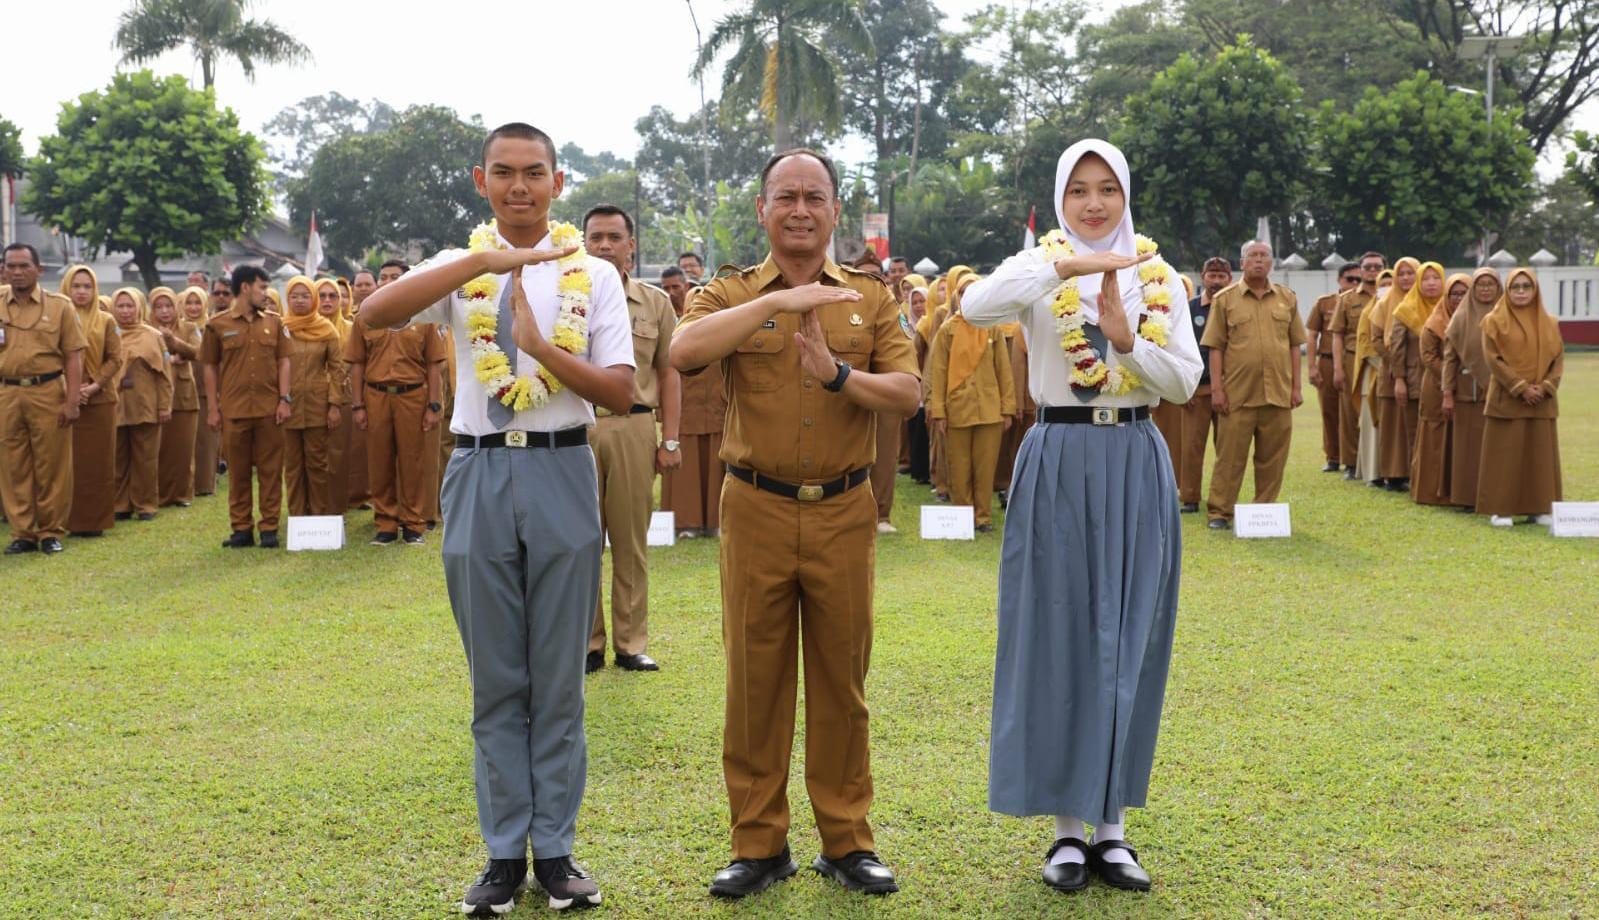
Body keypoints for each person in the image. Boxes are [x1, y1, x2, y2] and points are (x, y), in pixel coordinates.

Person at [357, 122, 635, 914]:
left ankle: (556, 851)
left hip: (560, 466)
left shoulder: (594, 274)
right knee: (495, 679)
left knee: (557, 679)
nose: (519, 187)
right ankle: (502, 853)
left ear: (557, 181)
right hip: (478, 467)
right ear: (482, 181)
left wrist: (541, 348)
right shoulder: (461, 265)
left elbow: (618, 392)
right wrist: (480, 265)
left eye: (534, 173)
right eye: (504, 174)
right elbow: (376, 313)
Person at [671, 147, 919, 900]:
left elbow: (907, 393)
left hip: (843, 510)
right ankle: (757, 844)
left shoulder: (870, 300)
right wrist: (778, 304)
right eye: (786, 196)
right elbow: (683, 352)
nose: (801, 209)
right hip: (755, 508)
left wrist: (838, 375)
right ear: (762, 210)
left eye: (815, 196)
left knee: (842, 682)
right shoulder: (730, 294)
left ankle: (846, 842)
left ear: (836, 210)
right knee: (755, 682)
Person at [962, 139, 1200, 894]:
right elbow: (974, 306)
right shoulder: (1038, 273)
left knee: (1127, 634)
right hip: (1058, 458)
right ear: (1060, 200)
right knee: (1058, 634)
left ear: (1126, 197)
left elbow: (1185, 384)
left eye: (1107, 190)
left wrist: (1126, 342)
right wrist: (1064, 265)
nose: (1094, 203)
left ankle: (1114, 831)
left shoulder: (1159, 280)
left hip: (1133, 457)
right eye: (1078, 191)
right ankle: (1066, 833)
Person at [582, 204, 680, 674]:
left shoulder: (655, 303)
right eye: (596, 237)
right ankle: (587, 644)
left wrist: (671, 439)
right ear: (583, 243)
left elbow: (670, 371)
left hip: (634, 425)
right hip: (575, 429)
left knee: (630, 540)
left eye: (614, 237)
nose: (604, 245)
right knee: (579, 541)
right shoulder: (566, 301)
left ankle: (630, 641)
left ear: (631, 245)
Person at [1202, 240, 1305, 529]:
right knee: (1230, 459)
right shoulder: (1225, 300)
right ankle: (1220, 513)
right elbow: (1215, 347)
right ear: (1242, 262)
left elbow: (1295, 345)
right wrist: (1218, 390)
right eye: (1253, 256)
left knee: (1273, 459)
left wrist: (1296, 387)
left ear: (1271, 263)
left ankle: (1265, 512)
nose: (1259, 260)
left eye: (1264, 256)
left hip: (1278, 394)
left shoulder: (1287, 298)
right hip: (1238, 395)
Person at [346, 268, 445, 545]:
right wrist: (357, 405)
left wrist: (433, 405)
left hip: (412, 396)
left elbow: (434, 365)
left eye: (395, 277)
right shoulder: (365, 319)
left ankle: (413, 524)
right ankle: (386, 524)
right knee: (379, 461)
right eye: (384, 277)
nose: (388, 282)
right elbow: (357, 364)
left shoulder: (425, 318)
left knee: (413, 461)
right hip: (376, 395)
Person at [0, 243, 85, 555]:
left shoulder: (60, 306)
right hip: (6, 392)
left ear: (39, 269)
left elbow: (73, 357)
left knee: (52, 464)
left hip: (48, 391)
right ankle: (22, 532)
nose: (17, 272)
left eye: (24, 266)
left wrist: (73, 401)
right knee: (12, 465)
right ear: (4, 269)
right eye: (11, 266)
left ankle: (50, 530)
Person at [202, 264, 292, 549]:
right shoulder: (217, 325)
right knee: (238, 473)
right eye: (261, 287)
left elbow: (283, 362)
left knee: (270, 472)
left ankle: (269, 529)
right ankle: (241, 529)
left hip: (269, 410)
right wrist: (214, 409)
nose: (266, 294)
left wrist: (284, 398)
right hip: (235, 411)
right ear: (244, 288)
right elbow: (210, 367)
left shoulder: (275, 323)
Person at [926, 272, 1016, 533]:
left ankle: (983, 517)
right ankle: (963, 519)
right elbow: (938, 371)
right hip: (957, 410)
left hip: (989, 410)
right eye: (963, 292)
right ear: (956, 296)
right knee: (959, 467)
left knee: (986, 468)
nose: (968, 297)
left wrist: (1007, 408)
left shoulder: (993, 327)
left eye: (974, 291)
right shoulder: (947, 329)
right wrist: (939, 411)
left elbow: (1004, 370)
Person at [1477, 269, 1563, 527]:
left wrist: (1546, 386)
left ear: (1535, 289)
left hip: (1542, 400)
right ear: (1508, 290)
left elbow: (1558, 360)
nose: (1522, 291)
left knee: (1540, 457)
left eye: (1527, 286)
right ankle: (1501, 510)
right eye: (1516, 287)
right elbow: (1493, 359)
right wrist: (1519, 387)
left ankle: (1540, 508)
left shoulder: (1550, 322)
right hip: (1508, 398)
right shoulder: (1493, 321)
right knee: (1504, 455)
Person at [660, 265, 727, 540]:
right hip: (685, 412)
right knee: (686, 472)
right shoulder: (677, 334)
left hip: (717, 410)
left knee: (715, 467)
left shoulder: (724, 333)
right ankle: (685, 523)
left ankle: (715, 522)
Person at [278, 276, 347, 517]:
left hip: (318, 405)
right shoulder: (281, 328)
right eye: (294, 296)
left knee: (317, 463)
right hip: (288, 405)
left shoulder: (326, 329)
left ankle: (319, 515)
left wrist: (335, 405)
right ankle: (297, 515)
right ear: (287, 299)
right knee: (292, 465)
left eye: (305, 295)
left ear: (314, 298)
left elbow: (337, 369)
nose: (299, 301)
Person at [61, 266, 122, 538]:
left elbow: (115, 359)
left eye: (87, 286)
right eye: (76, 286)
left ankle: (93, 521)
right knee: (65, 463)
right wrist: (71, 390)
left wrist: (94, 386)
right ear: (66, 288)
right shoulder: (56, 318)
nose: (82, 292)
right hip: (63, 399)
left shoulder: (106, 320)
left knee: (97, 463)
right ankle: (62, 520)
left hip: (100, 402)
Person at [110, 288, 172, 522]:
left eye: (130, 306)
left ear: (139, 307)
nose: (125, 311)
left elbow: (165, 374)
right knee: (118, 457)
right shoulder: (110, 332)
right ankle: (120, 504)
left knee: (146, 458)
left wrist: (164, 405)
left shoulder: (152, 335)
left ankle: (146, 504)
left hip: (145, 403)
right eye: (121, 306)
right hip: (116, 403)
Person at [1442, 268, 1501, 510]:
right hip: (1467, 391)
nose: (1486, 288)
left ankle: (1497, 495)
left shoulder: (1508, 315)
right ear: (1473, 289)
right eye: (1480, 284)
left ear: (1499, 288)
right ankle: (1467, 498)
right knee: (1466, 448)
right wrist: (1447, 392)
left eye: (1491, 284)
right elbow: (1449, 358)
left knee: (1497, 446)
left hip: (1501, 392)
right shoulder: (1461, 317)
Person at [1173, 257, 1228, 512]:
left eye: (1221, 276)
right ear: (1202, 277)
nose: (1216, 281)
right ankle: (1191, 497)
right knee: (1191, 447)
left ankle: (1225, 496)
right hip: (1197, 390)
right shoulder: (1189, 309)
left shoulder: (1235, 307)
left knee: (1227, 448)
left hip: (1229, 390)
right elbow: (1179, 349)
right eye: (1211, 275)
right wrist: (1185, 386)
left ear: (1230, 278)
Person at [1411, 272, 1470, 506]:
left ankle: (1460, 491)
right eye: (1454, 294)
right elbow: (1428, 356)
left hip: (1468, 389)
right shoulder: (1435, 322)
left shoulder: (1479, 320)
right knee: (1435, 436)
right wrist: (1451, 378)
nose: (1458, 299)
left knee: (1461, 438)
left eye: (1464, 294)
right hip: (1436, 387)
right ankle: (1430, 492)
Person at [1386, 261, 1439, 495]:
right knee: (1416, 433)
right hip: (1415, 380)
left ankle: (1441, 481)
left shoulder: (1450, 308)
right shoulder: (1405, 310)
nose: (1430, 283)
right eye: (1425, 278)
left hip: (1445, 381)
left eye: (1435, 278)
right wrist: (1399, 380)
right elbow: (1395, 348)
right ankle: (1419, 482)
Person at [1330, 252, 1385, 479]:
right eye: (1368, 267)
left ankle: (1381, 464)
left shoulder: (1392, 297)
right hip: (1354, 359)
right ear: (1360, 270)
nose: (1372, 270)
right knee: (1350, 412)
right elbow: (1337, 335)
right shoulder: (1347, 299)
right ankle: (1351, 463)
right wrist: (1338, 368)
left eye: (1377, 267)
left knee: (1380, 411)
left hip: (1382, 361)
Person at [148, 287, 202, 508]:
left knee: (183, 447)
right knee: (160, 448)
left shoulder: (189, 327)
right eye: (158, 307)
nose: (164, 311)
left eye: (168, 306)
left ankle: (182, 494)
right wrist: (170, 358)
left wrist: (174, 342)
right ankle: (159, 494)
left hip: (184, 394)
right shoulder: (146, 330)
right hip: (156, 396)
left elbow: (198, 352)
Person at [1369, 257, 1420, 489]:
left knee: (1415, 422)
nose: (1406, 277)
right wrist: (1396, 361)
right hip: (1391, 372)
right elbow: (1376, 339)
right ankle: (1393, 474)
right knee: (1392, 424)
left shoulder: (1428, 301)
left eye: (1411, 273)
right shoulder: (1385, 302)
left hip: (1420, 373)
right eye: (1402, 273)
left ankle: (1415, 472)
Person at [1307, 262, 1359, 472]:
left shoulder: (1367, 301)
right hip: (1328, 361)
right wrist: (1311, 366)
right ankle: (1334, 457)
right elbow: (1311, 335)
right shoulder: (1325, 303)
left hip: (1354, 360)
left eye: (1358, 279)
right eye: (1349, 279)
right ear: (1339, 280)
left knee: (1353, 412)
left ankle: (1354, 458)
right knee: (1329, 410)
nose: (1354, 283)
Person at [1349, 267, 1395, 485]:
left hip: (1399, 375)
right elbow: (1365, 344)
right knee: (1372, 425)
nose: (1386, 289)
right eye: (1382, 285)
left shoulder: (1402, 308)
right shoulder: (1369, 311)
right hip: (1375, 373)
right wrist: (1389, 363)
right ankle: (1373, 473)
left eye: (1390, 284)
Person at [181, 285, 220, 497]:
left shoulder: (212, 328)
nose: (193, 307)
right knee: (188, 439)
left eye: (197, 302)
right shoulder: (178, 329)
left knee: (206, 439)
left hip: (207, 388)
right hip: (185, 387)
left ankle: (205, 484)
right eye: (189, 302)